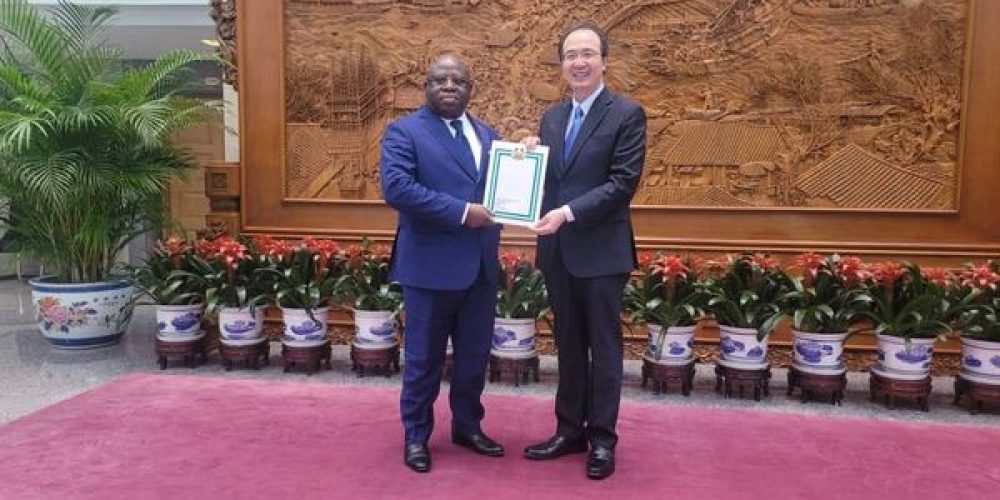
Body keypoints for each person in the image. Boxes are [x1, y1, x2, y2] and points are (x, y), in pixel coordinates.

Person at [521, 22, 646, 480]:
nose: (578, 62)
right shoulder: (552, 118)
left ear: (604, 61)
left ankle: (602, 441)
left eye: (587, 54)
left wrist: (568, 213)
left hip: (601, 253)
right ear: (562, 64)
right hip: (558, 254)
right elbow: (550, 181)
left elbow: (621, 184)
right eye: (571, 54)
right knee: (568, 346)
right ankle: (568, 431)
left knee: (604, 349)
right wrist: (528, 157)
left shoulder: (627, 114)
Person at [380, 53, 505, 474]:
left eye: (458, 81)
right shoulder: (404, 132)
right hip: (430, 270)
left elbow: (505, 191)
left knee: (473, 358)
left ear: (471, 88)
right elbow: (397, 188)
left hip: (481, 270)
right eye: (440, 80)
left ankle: (467, 427)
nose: (449, 86)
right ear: (426, 86)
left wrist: (523, 158)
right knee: (423, 360)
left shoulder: (489, 135)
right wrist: (462, 212)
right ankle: (416, 435)